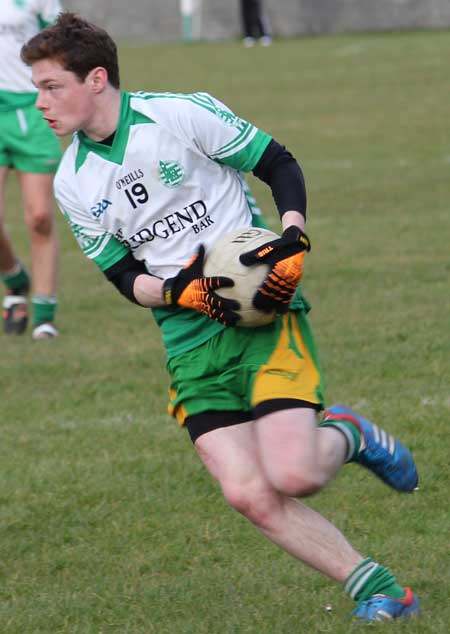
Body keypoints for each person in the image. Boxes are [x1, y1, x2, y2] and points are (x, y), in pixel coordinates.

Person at [21, 13, 421, 622]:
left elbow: (277, 162)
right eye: (37, 88)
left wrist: (291, 237)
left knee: (294, 474)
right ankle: (379, 588)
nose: (40, 102)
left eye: (51, 86)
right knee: (248, 494)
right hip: (188, 340)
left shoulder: (179, 115)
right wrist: (185, 294)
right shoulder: (74, 179)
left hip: (261, 317)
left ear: (96, 79)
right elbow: (124, 277)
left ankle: (349, 434)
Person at [0, 0, 62, 340]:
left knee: (39, 217)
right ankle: (14, 279)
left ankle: (44, 316)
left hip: (31, 110)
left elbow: (60, 39)